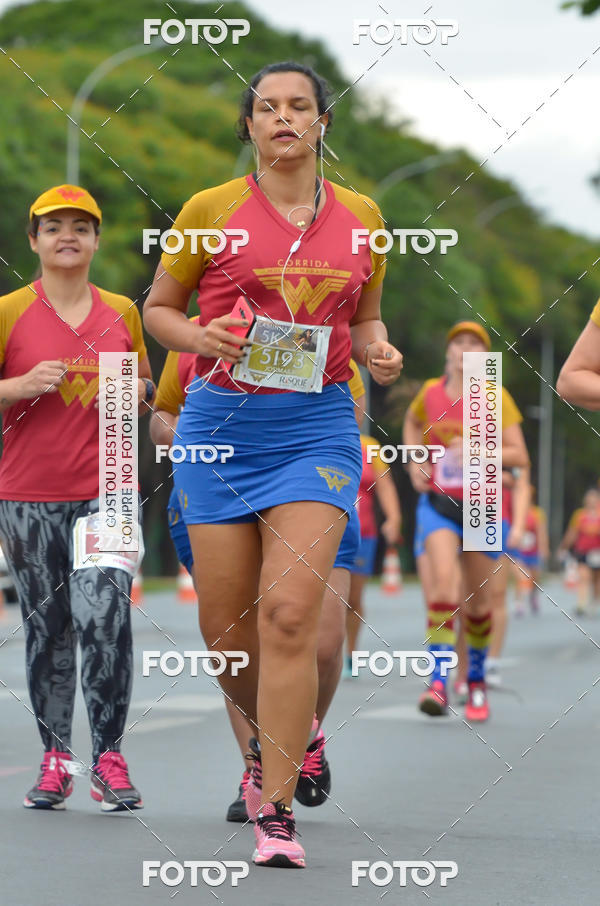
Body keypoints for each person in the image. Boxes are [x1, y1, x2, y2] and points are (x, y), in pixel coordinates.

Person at [143, 62, 402, 868]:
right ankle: (274, 744)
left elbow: (366, 321)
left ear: (323, 122)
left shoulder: (363, 217)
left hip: (316, 430)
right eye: (266, 108)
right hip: (220, 426)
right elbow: (159, 309)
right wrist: (199, 339)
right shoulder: (207, 210)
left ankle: (277, 806)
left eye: (299, 107)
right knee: (228, 631)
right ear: (249, 126)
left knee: (292, 616)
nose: (283, 118)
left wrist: (380, 352)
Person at [150, 333, 366, 821]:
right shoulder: (195, 333)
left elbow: (348, 418)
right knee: (240, 640)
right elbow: (161, 415)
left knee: (325, 642)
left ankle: (298, 736)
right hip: (217, 495)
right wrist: (180, 432)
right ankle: (263, 761)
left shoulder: (319, 330)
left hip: (308, 488)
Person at [0, 185, 155, 811]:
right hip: (28, 493)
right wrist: (17, 384)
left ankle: (110, 758)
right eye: (54, 226)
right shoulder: (10, 310)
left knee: (105, 618)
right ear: (34, 240)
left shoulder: (122, 310)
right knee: (50, 630)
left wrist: (142, 393)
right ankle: (57, 760)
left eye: (81, 227)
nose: (68, 235)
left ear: (96, 241)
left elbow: (145, 380)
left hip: (109, 495)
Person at [403, 321, 529, 722]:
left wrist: (477, 449)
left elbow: (519, 457)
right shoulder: (430, 392)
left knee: (477, 605)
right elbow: (410, 425)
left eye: (475, 344)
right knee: (442, 586)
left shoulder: (494, 397)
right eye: (459, 342)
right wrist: (414, 460)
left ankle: (474, 680)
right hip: (439, 504)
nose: (465, 349)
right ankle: (438, 682)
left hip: (482, 505)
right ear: (449, 353)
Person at [344, 432, 401, 676]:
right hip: (324, 531)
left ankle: (350, 654)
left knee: (352, 598)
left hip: (363, 532)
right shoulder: (318, 432)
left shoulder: (371, 446)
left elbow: (386, 486)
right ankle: (321, 651)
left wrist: (394, 518)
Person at [557, 490, 600, 615]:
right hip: (583, 552)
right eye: (589, 499)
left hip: (597, 552)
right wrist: (564, 547)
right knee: (583, 577)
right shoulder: (580, 515)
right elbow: (572, 532)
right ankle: (582, 603)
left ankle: (594, 602)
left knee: (596, 580)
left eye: (594, 499)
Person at [512, 486, 549, 617]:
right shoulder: (514, 510)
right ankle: (519, 604)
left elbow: (541, 532)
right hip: (519, 552)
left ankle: (533, 597)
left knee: (534, 578)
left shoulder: (537, 513)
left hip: (533, 552)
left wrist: (544, 548)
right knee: (521, 577)